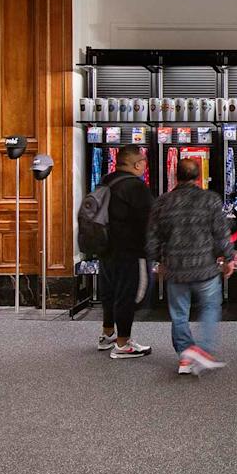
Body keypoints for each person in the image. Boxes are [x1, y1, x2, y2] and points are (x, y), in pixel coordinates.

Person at [146, 157, 237, 375]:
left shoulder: (162, 202)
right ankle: (202, 349)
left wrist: (158, 261)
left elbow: (152, 237)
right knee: (210, 306)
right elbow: (221, 233)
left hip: (175, 268)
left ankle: (185, 355)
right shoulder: (210, 199)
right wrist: (228, 258)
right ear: (198, 176)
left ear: (175, 175)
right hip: (205, 267)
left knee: (179, 313)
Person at [96, 145, 155, 359]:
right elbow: (150, 220)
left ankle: (107, 334)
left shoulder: (105, 182)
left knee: (109, 293)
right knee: (127, 295)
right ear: (137, 164)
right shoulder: (136, 187)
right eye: (144, 162)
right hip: (130, 250)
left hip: (105, 248)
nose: (145, 166)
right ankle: (123, 344)